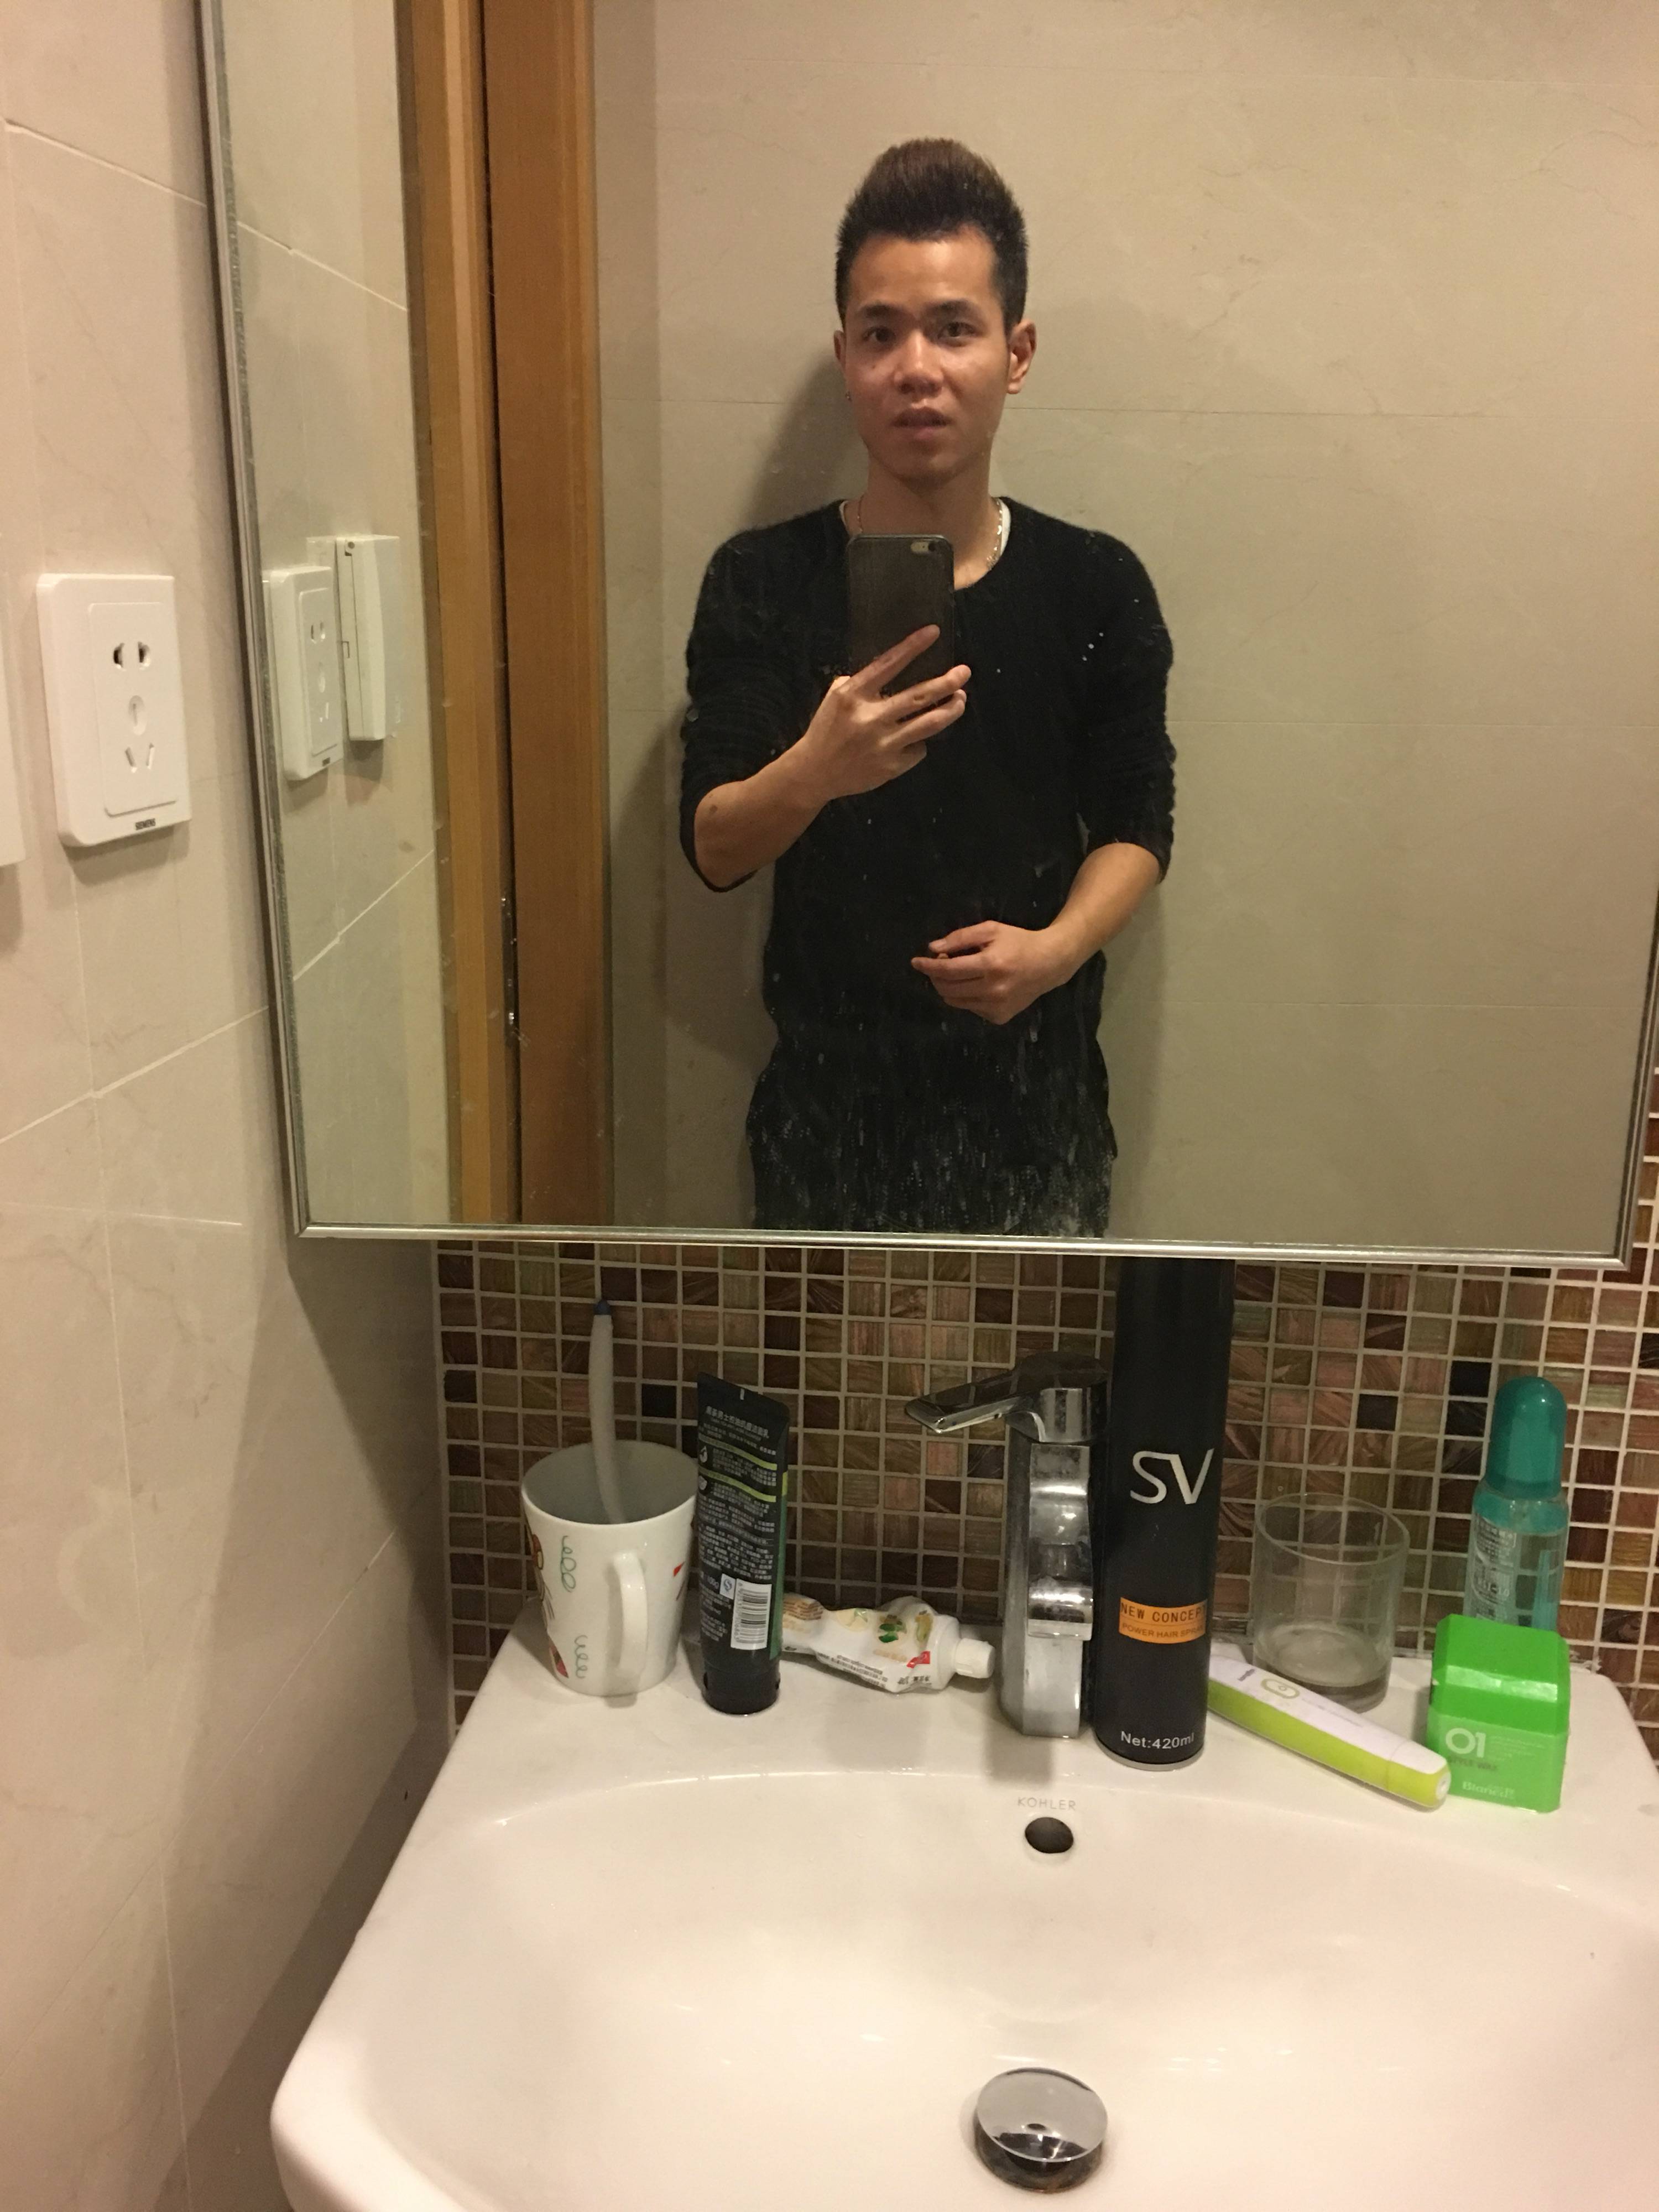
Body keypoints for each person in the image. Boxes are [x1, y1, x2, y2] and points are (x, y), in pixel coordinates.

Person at [679, 138, 1174, 1235]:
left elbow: (1139, 820)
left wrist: (1054, 952)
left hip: (1038, 1122)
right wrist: (817, 770)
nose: (916, 367)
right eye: (881, 333)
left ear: (1016, 351)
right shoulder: (762, 579)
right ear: (845, 356)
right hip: (826, 1128)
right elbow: (713, 846)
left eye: (954, 328)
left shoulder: (1095, 584)